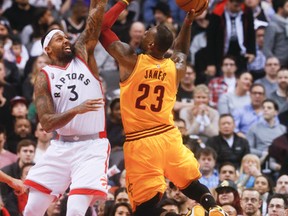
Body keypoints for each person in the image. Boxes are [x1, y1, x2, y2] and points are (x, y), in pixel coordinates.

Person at [99, 1, 227, 215]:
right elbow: (182, 50)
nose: (146, 31)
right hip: (168, 136)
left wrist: (123, 2)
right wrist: (188, 22)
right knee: (190, 184)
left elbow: (101, 28)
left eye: (149, 32)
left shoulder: (130, 60)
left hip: (141, 142)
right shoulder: (174, 67)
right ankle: (212, 207)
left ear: (150, 44)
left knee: (143, 206)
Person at [23, 0, 109, 215]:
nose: (66, 40)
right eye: (59, 38)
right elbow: (47, 123)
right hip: (61, 147)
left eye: (66, 36)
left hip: (92, 146)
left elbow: (94, 21)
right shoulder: (44, 77)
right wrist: (75, 110)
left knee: (75, 210)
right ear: (48, 49)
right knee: (32, 209)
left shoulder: (81, 55)